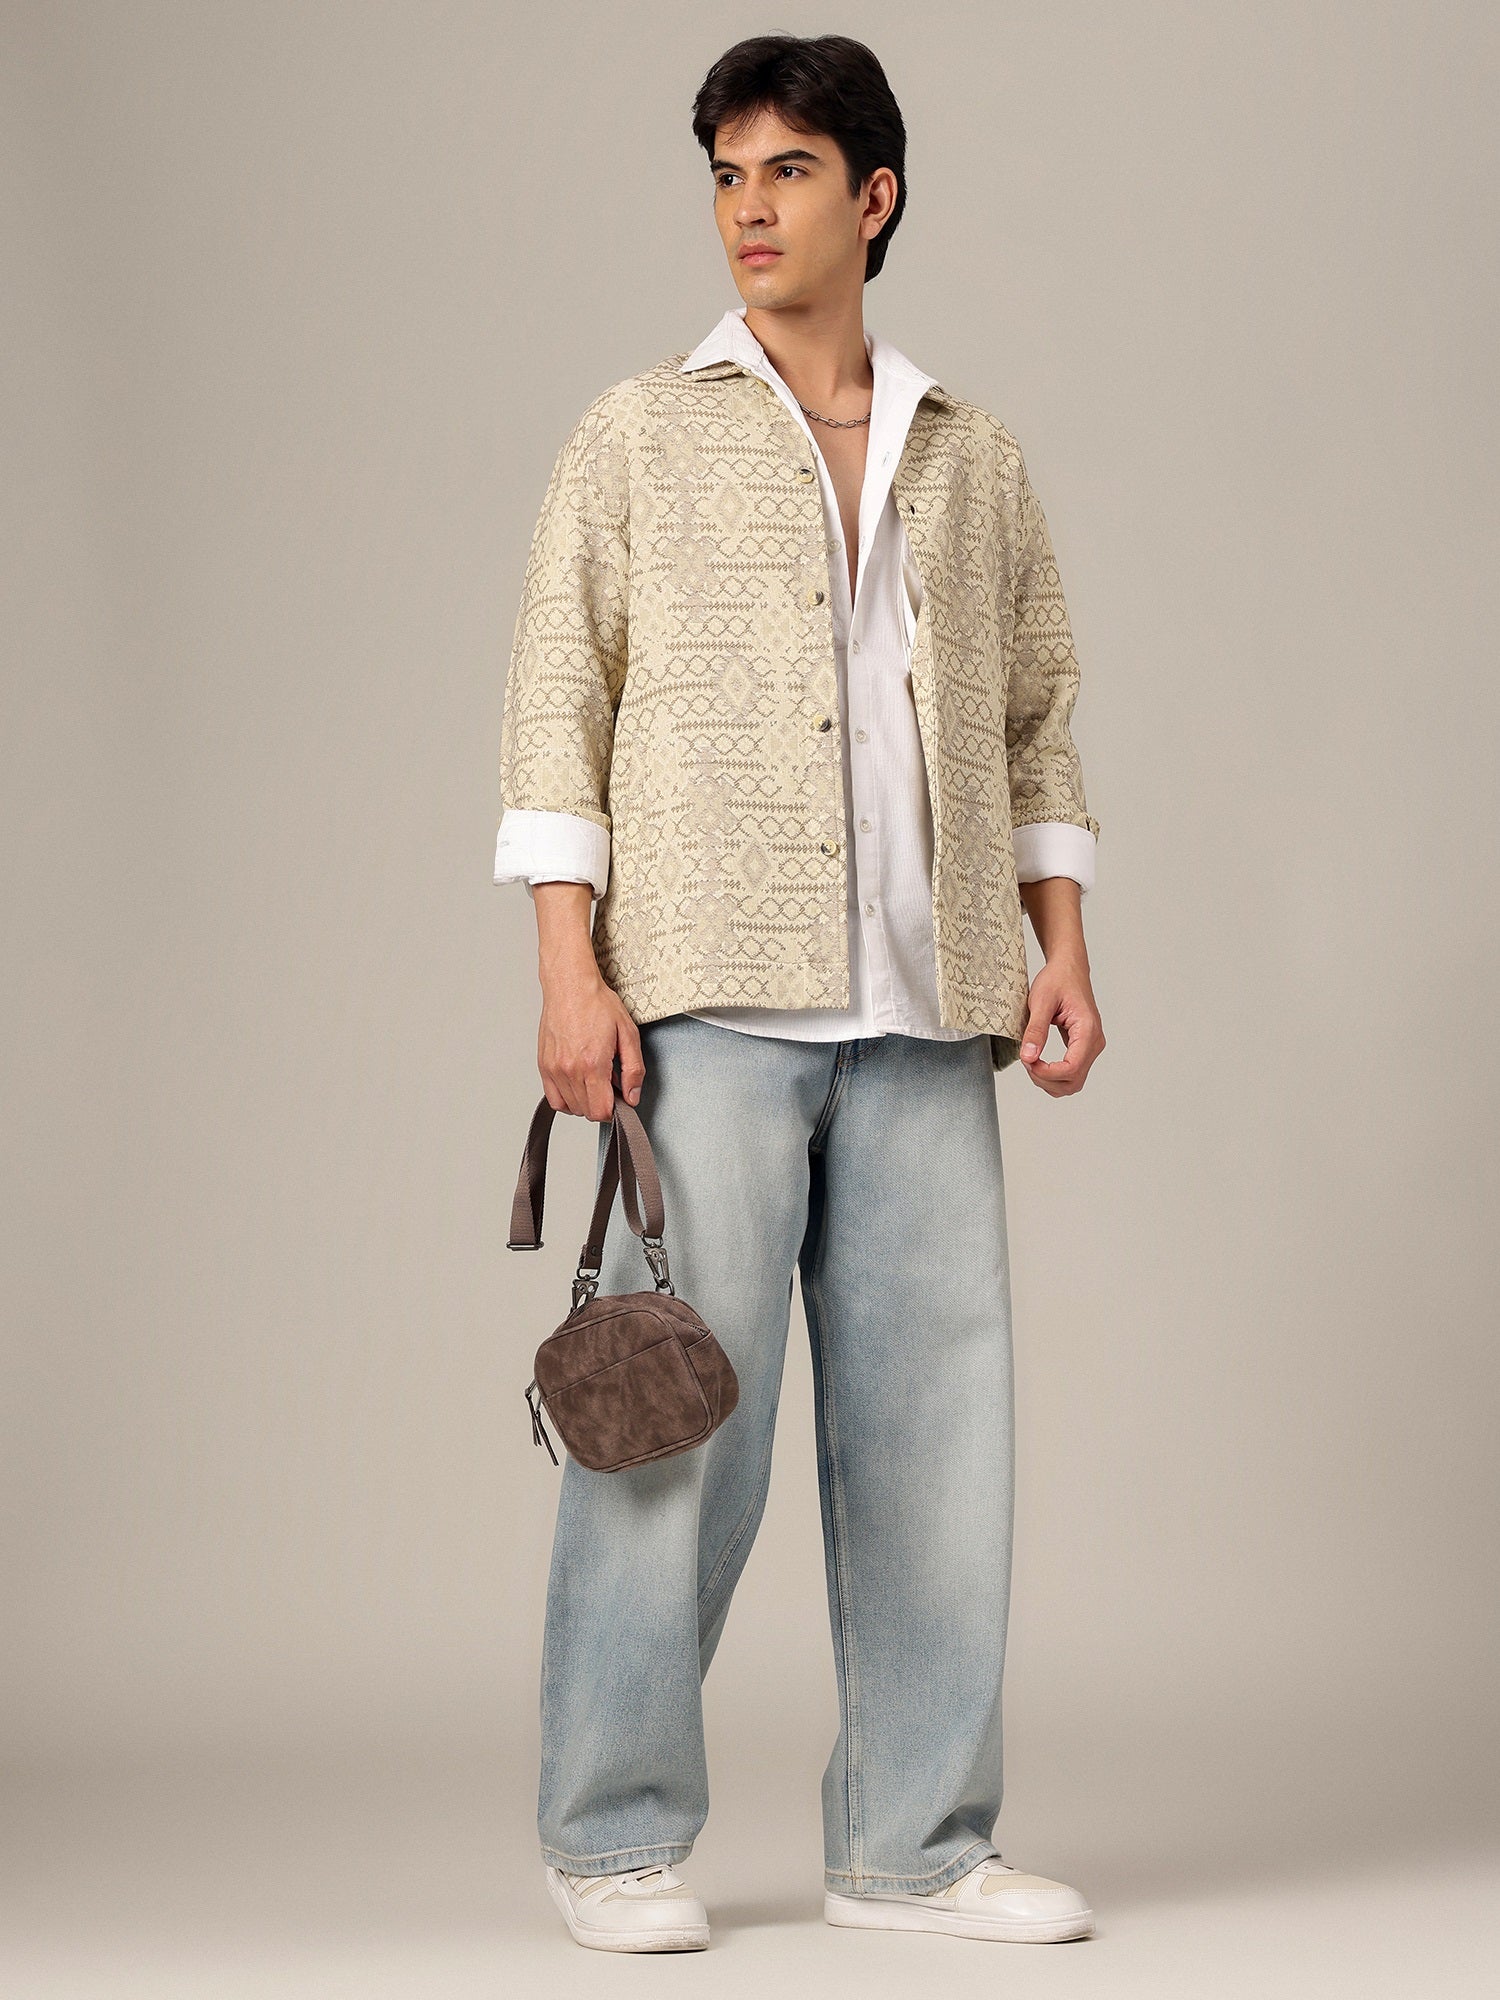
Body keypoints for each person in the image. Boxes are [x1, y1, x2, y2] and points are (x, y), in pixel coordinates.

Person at [494, 32, 1105, 1954]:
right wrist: (569, 969)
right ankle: (610, 1839)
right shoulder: (637, 434)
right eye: (725, 175)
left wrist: (1060, 939)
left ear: (875, 195)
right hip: (710, 1010)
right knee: (670, 1426)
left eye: (786, 172)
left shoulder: (969, 456)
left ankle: (914, 1846)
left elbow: (1035, 715)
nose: (748, 210)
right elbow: (556, 703)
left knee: (940, 1446)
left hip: (930, 1018)